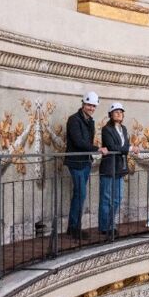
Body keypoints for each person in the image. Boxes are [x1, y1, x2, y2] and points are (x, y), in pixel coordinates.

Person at [65, 91, 107, 240]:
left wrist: (92, 152)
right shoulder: (74, 120)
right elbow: (78, 141)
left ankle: (73, 228)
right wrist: (97, 149)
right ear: (83, 104)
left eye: (93, 106)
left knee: (79, 195)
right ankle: (74, 228)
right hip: (75, 163)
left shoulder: (91, 121)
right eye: (89, 105)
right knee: (80, 194)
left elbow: (86, 142)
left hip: (85, 162)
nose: (91, 108)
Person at [98, 102, 130, 236]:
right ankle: (105, 227)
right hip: (108, 167)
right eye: (116, 112)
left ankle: (111, 223)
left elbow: (124, 146)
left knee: (117, 198)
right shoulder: (106, 129)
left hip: (120, 167)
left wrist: (126, 149)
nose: (119, 114)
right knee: (106, 198)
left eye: (121, 112)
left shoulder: (124, 129)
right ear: (110, 114)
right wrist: (128, 149)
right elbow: (112, 147)